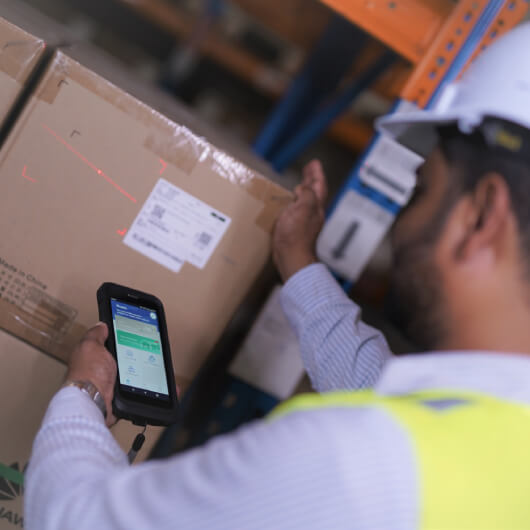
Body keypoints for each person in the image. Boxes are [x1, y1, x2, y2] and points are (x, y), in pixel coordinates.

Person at [26, 23, 530, 530]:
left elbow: (76, 520)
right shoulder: (495, 440)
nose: (403, 226)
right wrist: (298, 259)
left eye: (419, 193)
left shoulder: (357, 462)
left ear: (482, 216)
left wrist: (86, 395)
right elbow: (377, 384)